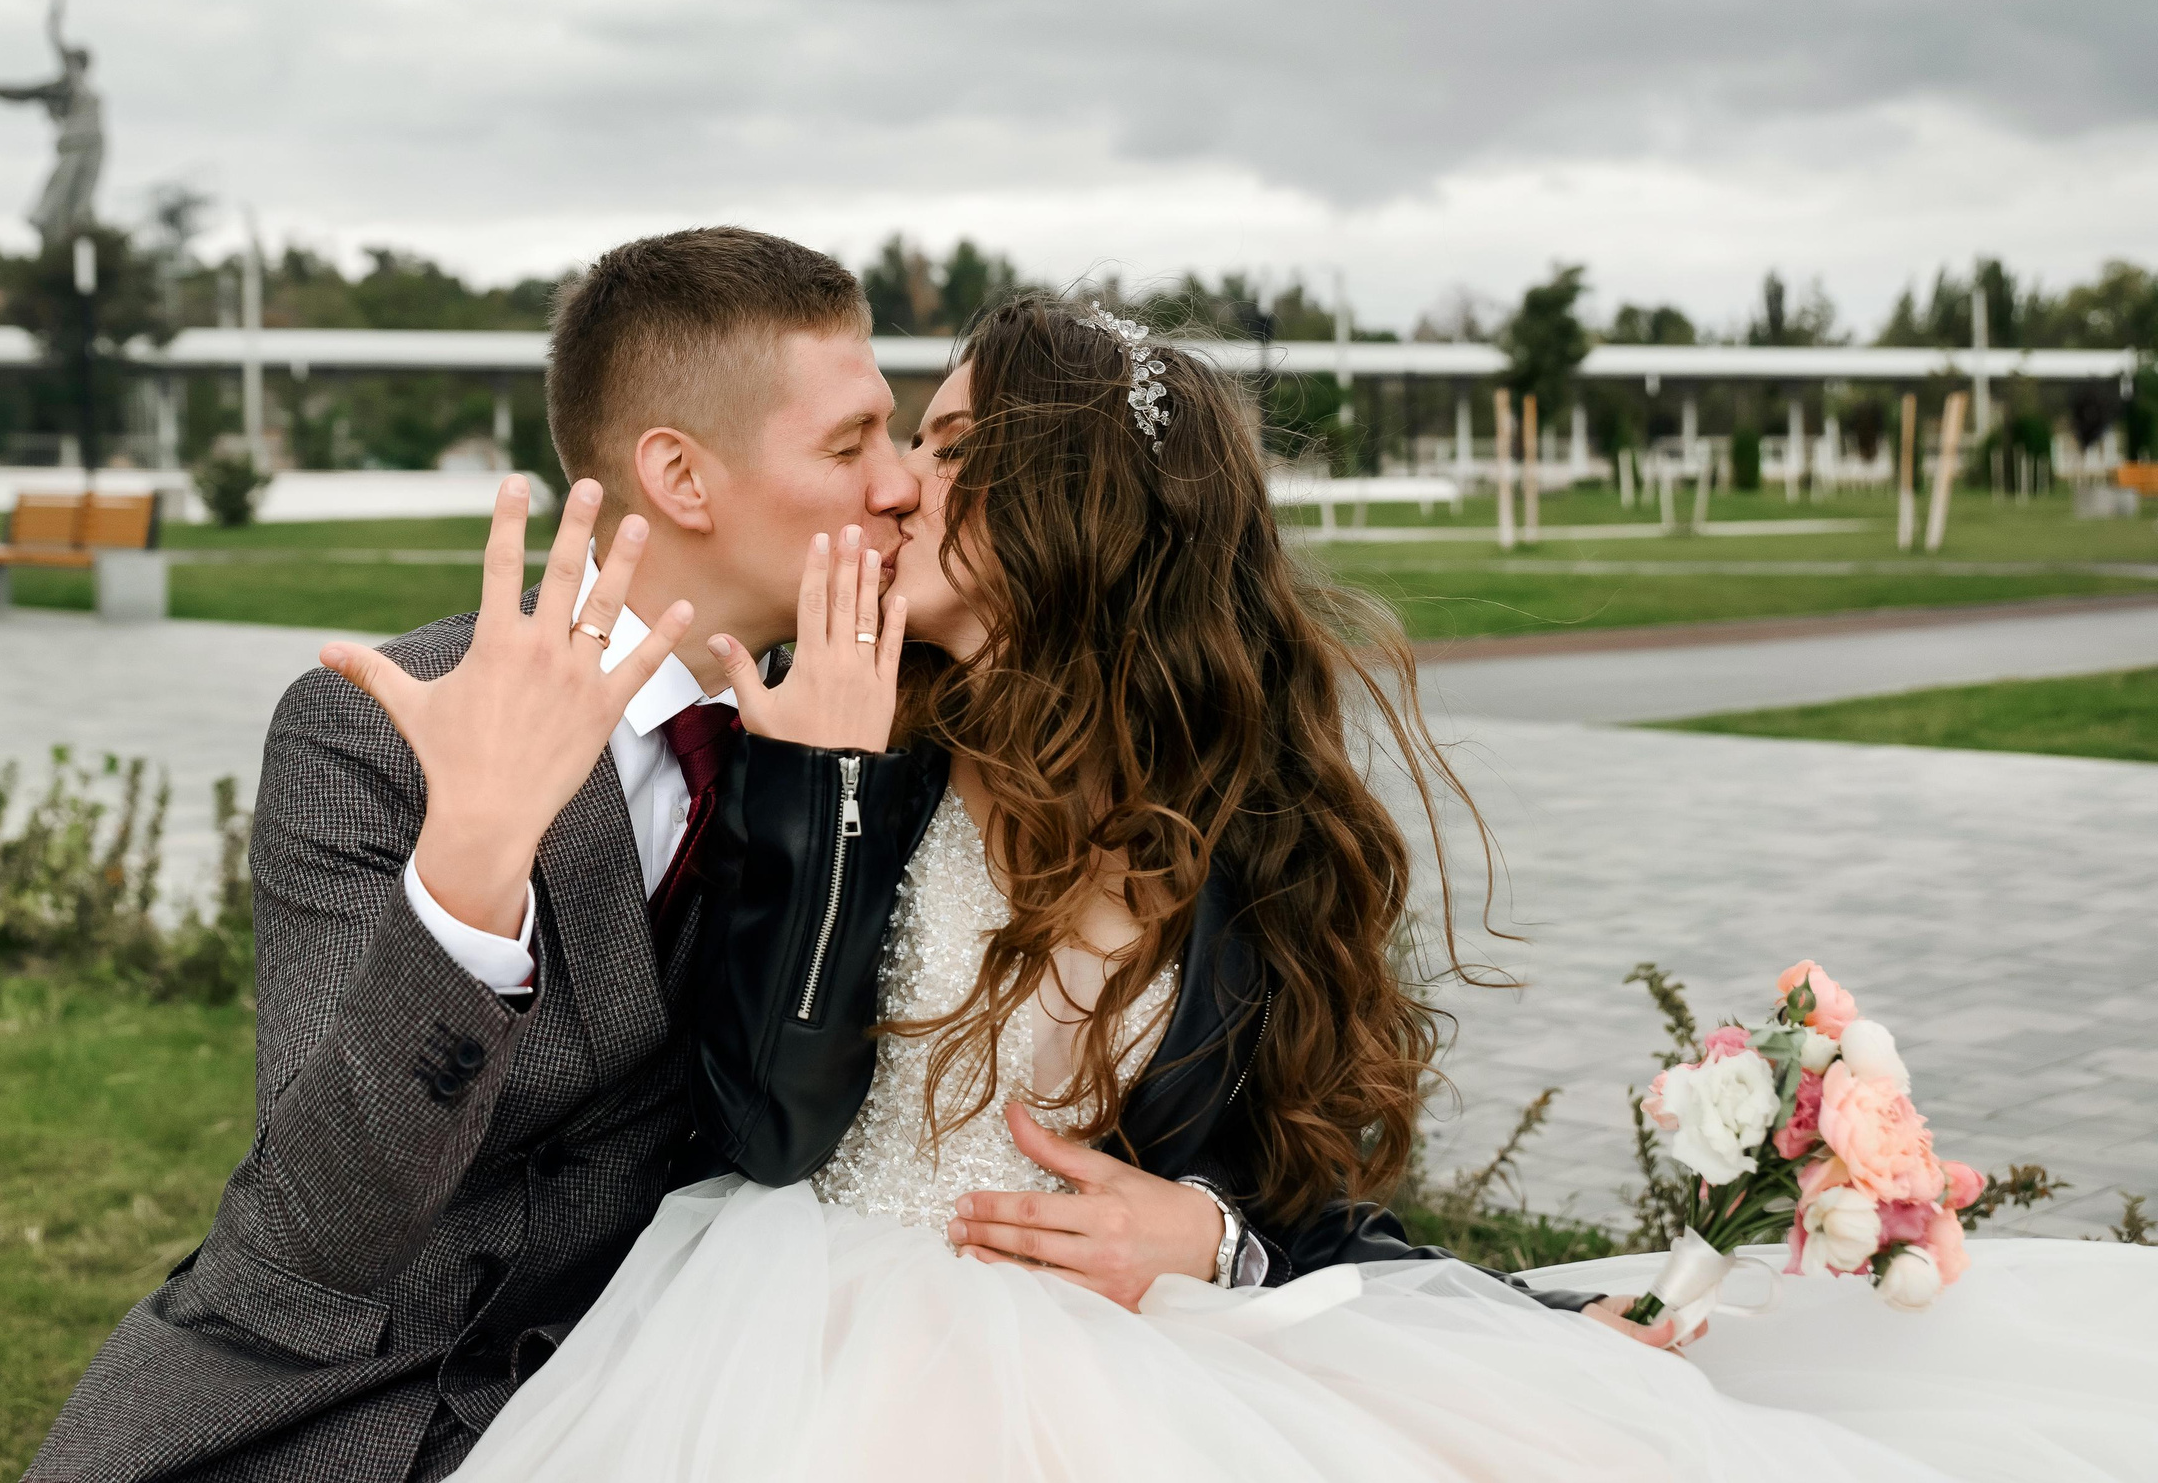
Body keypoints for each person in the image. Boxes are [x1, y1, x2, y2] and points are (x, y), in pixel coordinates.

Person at [446, 295, 2158, 1481]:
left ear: (1073, 499)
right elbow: (767, 1126)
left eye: (953, 440)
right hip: (798, 1335)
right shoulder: (846, 742)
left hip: (1141, 1360)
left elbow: (1311, 1181)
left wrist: (1223, 1235)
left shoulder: (1247, 817)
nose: (901, 480)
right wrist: (811, 785)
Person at [23, 232, 1214, 1482]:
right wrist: (472, 865)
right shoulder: (383, 723)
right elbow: (320, 1227)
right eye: (851, 442)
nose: (902, 485)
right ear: (679, 479)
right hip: (332, 1400)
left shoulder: (885, 719)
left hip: (685, 1383)